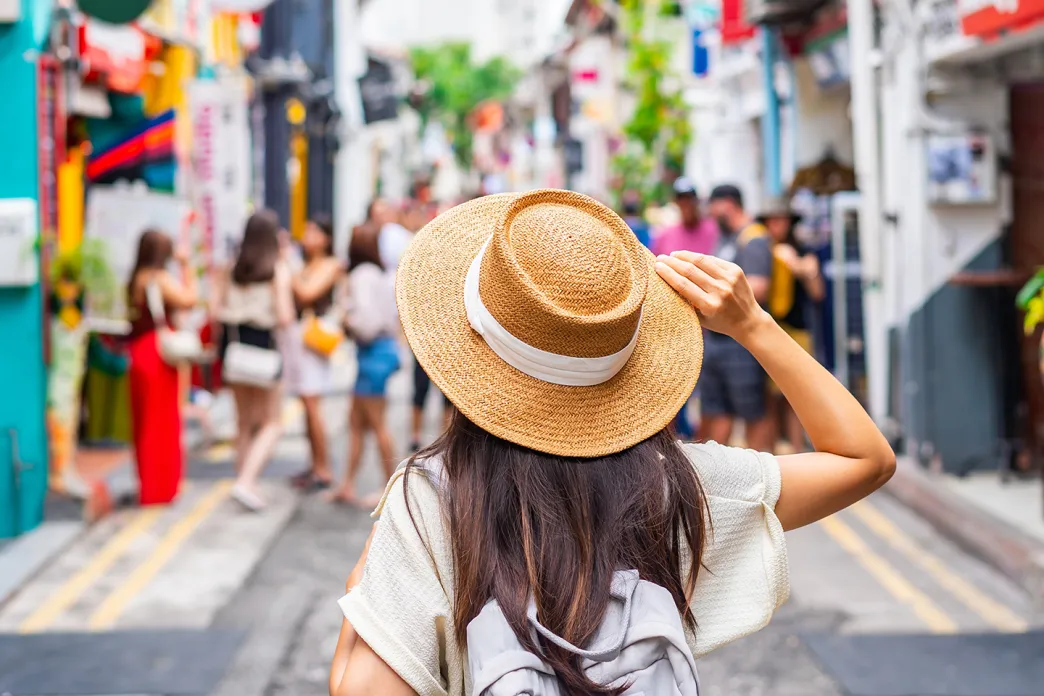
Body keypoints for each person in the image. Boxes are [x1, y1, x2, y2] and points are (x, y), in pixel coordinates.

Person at [329, 190, 895, 695]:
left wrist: (365, 584)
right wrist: (754, 325)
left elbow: (360, 687)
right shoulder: (679, 487)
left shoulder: (431, 495)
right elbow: (864, 459)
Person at [218, 211, 295, 511]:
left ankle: (244, 482)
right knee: (272, 423)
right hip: (264, 351)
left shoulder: (230, 269)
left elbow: (217, 309)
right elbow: (286, 317)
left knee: (244, 423)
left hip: (235, 352)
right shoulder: (277, 270)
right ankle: (246, 481)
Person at [327, 226, 401, 506]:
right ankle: (347, 483)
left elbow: (367, 323)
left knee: (377, 423)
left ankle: (390, 490)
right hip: (378, 353)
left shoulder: (361, 276)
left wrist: (347, 321)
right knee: (356, 422)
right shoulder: (381, 274)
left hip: (372, 354)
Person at [700, 184, 774, 451]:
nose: (709, 212)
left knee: (753, 411)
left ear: (728, 204)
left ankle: (765, 477)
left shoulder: (753, 238)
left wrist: (708, 293)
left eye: (712, 205)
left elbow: (759, 287)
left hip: (741, 342)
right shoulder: (725, 237)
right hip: (718, 341)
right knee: (718, 411)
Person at [126, 229, 198, 505]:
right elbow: (189, 299)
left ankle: (149, 484)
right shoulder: (159, 278)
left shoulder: (136, 278)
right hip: (158, 354)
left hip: (139, 351)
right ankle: (162, 487)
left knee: (144, 422)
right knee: (163, 422)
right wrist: (186, 265)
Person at [650, 177, 720, 438]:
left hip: (711, 329)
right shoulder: (666, 235)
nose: (686, 205)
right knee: (672, 397)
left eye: (689, 199)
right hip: (674, 329)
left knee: (710, 401)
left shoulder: (713, 231)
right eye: (681, 200)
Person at [757, 197, 826, 453]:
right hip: (767, 328)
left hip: (796, 330)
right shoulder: (759, 250)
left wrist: (799, 267)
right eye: (772, 221)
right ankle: (773, 451)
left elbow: (818, 293)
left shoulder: (802, 251)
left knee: (795, 395)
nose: (777, 225)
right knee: (768, 398)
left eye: (782, 220)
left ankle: (797, 450)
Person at [286, 215, 343, 491]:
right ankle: (314, 464)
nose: (307, 236)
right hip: (301, 340)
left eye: (313, 231)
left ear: (326, 237)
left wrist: (289, 267)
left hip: (315, 342)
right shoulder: (306, 263)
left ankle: (324, 469)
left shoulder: (331, 265)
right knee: (306, 407)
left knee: (312, 405)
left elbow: (307, 293)